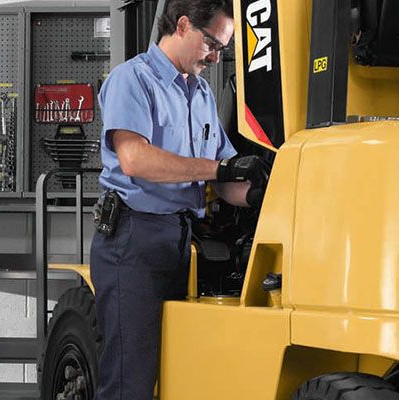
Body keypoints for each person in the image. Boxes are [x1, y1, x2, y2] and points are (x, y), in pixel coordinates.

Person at [91, 0, 269, 398]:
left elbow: (226, 177)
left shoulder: (201, 93)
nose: (215, 55)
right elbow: (135, 159)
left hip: (180, 241)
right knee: (129, 381)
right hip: (132, 240)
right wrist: (219, 171)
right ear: (184, 25)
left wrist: (266, 192)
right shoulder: (132, 80)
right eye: (212, 43)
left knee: (178, 373)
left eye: (223, 48)